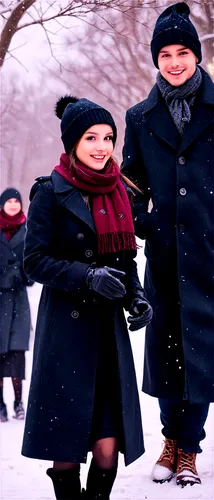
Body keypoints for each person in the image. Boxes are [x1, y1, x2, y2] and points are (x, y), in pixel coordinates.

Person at [21, 95, 153, 500]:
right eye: (91, 137)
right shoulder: (50, 192)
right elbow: (35, 261)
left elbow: (126, 258)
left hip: (107, 336)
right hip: (66, 333)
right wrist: (86, 275)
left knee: (108, 448)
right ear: (72, 143)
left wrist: (136, 296)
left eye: (108, 137)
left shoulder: (119, 192)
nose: (102, 146)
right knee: (66, 450)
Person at [122, 1, 214, 489]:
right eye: (165, 54)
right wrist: (145, 224)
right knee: (166, 352)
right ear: (155, 60)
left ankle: (189, 449)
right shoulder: (140, 117)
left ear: (195, 56)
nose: (175, 62)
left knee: (200, 352)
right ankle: (169, 439)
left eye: (183, 52)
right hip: (162, 254)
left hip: (208, 254)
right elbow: (130, 181)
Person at [0, 188, 33, 422]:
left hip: (19, 302)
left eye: (16, 201)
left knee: (17, 355)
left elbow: (34, 265)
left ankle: (19, 403)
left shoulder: (29, 230)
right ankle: (1, 404)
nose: (13, 204)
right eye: (8, 201)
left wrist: (20, 273)